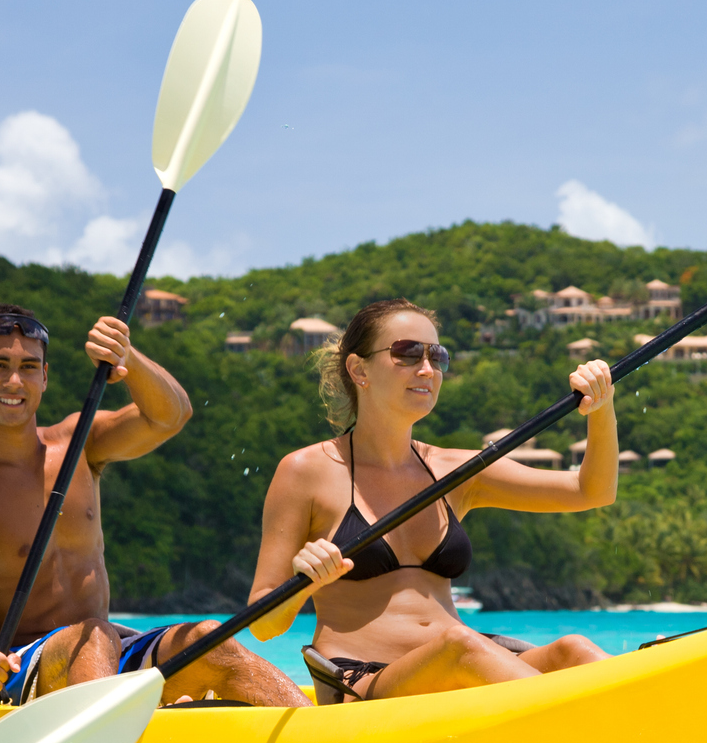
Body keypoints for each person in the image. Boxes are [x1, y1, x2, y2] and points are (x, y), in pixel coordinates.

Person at [0, 302, 307, 709]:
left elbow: (170, 417)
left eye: (29, 366)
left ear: (45, 376)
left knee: (208, 638)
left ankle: (315, 735)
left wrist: (128, 358)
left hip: (106, 650)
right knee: (94, 637)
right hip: (17, 667)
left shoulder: (78, 443)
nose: (15, 381)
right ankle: (111, 741)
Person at [249, 298, 614, 703]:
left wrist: (600, 407)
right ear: (359, 369)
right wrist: (302, 585)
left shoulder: (455, 471)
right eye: (406, 353)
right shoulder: (305, 471)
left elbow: (592, 491)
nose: (427, 369)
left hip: (464, 662)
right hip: (367, 683)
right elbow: (263, 624)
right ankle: (584, 720)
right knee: (461, 645)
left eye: (436, 356)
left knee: (573, 649)